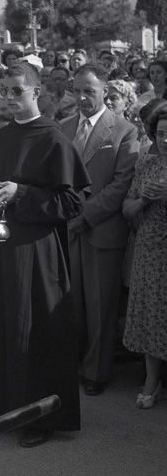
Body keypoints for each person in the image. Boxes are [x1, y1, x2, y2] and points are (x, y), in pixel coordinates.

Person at [0, 63, 91, 447]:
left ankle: (42, 416)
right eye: (4, 91)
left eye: (17, 91)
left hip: (37, 253)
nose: (9, 98)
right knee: (1, 323)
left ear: (36, 92)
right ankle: (4, 404)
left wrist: (19, 192)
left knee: (37, 331)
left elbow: (73, 202)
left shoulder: (53, 139)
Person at [60, 65, 139, 396]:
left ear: (104, 91)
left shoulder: (124, 130)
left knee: (100, 307)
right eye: (77, 90)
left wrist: (86, 216)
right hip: (68, 229)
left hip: (102, 231)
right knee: (70, 304)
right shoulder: (63, 127)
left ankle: (96, 371)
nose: (81, 97)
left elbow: (121, 184)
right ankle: (72, 363)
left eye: (89, 91)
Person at [121, 109, 167, 408]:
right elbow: (127, 209)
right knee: (151, 314)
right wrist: (144, 199)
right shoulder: (146, 164)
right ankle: (152, 381)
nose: (165, 140)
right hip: (150, 251)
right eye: (161, 134)